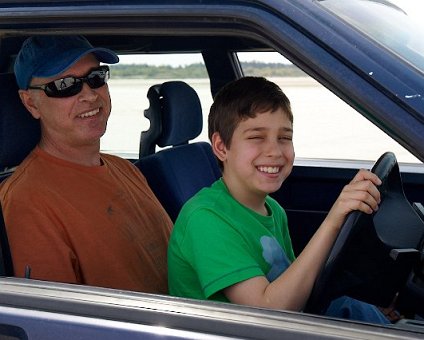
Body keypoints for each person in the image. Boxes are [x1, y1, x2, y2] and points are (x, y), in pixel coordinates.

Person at [167, 76, 390, 323]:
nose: (275, 151)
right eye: (256, 137)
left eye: (284, 137)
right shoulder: (205, 219)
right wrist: (333, 222)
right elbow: (269, 311)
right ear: (221, 147)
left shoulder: (271, 208)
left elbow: (297, 284)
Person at [0, 35, 172, 294]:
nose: (89, 95)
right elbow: (55, 322)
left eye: (96, 78)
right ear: (30, 103)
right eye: (64, 85)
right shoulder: (26, 200)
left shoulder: (125, 169)